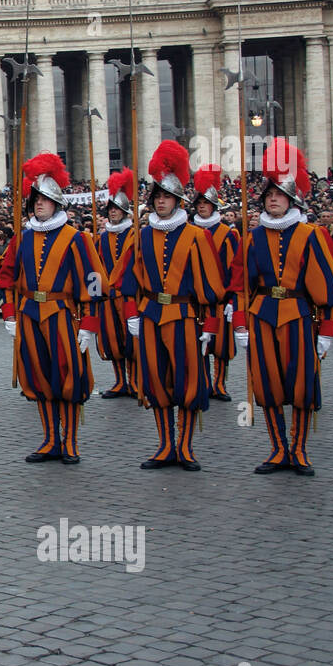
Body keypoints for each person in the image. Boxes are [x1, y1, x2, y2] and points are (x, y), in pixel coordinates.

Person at [229, 139, 333, 476]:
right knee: (268, 384)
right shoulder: (252, 238)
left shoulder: (312, 235)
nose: (273, 199)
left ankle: (299, 449)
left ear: (292, 199)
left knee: (301, 385)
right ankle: (278, 449)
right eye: (268, 195)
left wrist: (327, 331)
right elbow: (241, 285)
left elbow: (327, 288)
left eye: (279, 195)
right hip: (262, 315)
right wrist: (240, 323)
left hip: (298, 316)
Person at [111, 141, 226, 471]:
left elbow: (211, 289)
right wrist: (132, 315)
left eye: (166, 196)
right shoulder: (142, 235)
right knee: (156, 382)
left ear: (178, 200)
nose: (160, 201)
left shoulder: (196, 237)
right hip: (150, 316)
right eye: (157, 196)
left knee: (187, 381)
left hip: (184, 317)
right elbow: (128, 281)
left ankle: (185, 447)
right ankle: (164, 445)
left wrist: (211, 327)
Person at [0, 154, 109, 465]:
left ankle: (70, 440)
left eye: (45, 200)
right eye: (36, 199)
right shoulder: (22, 238)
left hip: (63, 315)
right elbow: (6, 277)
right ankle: (49, 439)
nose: (39, 205)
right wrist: (9, 313)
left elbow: (95, 281)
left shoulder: (76, 239)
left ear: (57, 203)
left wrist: (89, 323)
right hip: (30, 313)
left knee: (68, 378)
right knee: (39, 377)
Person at [191, 164, 240, 401]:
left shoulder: (228, 234)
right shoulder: (189, 232)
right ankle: (204, 381)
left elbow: (234, 268)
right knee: (199, 343)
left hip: (220, 298)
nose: (202, 206)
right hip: (196, 299)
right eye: (199, 203)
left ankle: (219, 384)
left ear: (213, 206)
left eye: (206, 203)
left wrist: (233, 298)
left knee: (220, 347)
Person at [95, 170, 137, 398]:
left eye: (117, 209)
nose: (113, 212)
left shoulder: (136, 236)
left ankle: (136, 381)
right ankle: (120, 381)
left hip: (129, 297)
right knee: (112, 342)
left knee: (132, 341)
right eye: (110, 209)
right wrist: (94, 296)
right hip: (108, 297)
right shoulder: (101, 239)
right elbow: (95, 269)